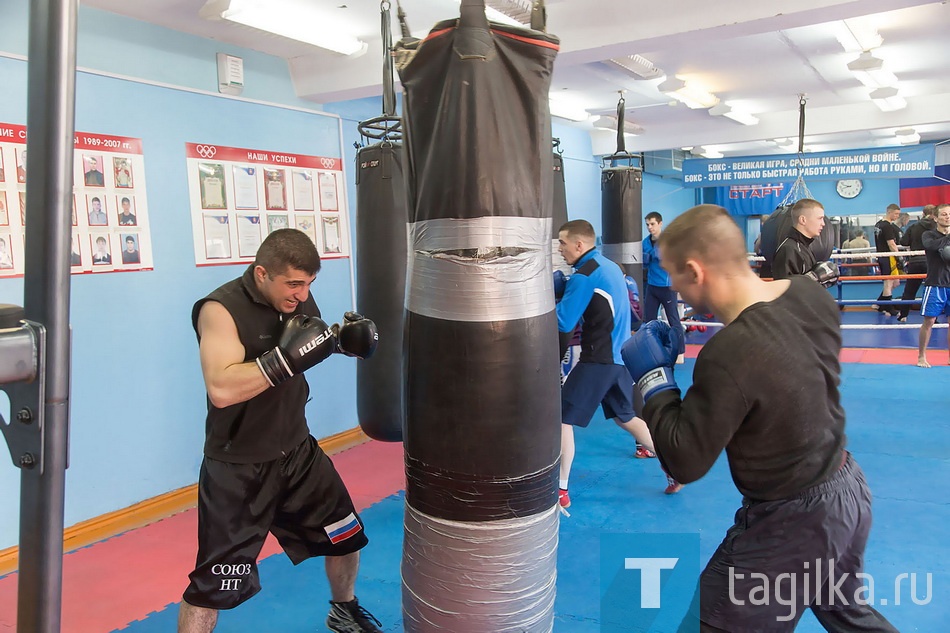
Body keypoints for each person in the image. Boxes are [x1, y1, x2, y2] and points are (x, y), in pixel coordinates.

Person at [622, 204, 898, 633]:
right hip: (847, 489)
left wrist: (655, 384)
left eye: (672, 272)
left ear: (695, 271)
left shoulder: (729, 353)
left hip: (793, 518)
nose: (671, 284)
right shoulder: (808, 296)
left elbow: (685, 462)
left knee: (711, 625)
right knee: (848, 616)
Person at [179, 229, 383, 633]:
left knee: (346, 535)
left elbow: (309, 345)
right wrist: (282, 361)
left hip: (298, 451)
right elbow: (221, 388)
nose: (303, 295)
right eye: (293, 283)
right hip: (239, 468)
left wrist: (343, 342)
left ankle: (343, 611)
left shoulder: (297, 300)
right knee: (213, 586)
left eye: (309, 283)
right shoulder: (220, 310)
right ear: (261, 274)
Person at [555, 219, 679, 510]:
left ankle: (560, 490)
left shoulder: (586, 274)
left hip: (599, 359)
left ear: (579, 244)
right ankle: (676, 469)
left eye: (562, 243)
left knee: (560, 418)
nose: (559, 249)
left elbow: (563, 321)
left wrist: (551, 296)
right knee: (626, 417)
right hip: (621, 357)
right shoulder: (610, 266)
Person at [642, 212, 684, 362]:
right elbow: (644, 263)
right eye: (647, 224)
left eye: (652, 224)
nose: (649, 227)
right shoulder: (645, 242)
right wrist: (645, 259)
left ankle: (680, 352)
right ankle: (651, 350)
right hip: (652, 286)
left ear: (660, 224)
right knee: (649, 321)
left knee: (673, 320)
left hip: (667, 287)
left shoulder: (668, 242)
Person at [916, 203, 950, 368]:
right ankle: (921, 356)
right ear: (935, 217)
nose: (947, 217)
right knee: (929, 321)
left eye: (949, 214)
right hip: (935, 283)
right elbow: (931, 246)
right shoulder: (928, 234)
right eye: (943, 214)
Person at [898, 205, 937, 322]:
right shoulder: (937, 227)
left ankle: (903, 315)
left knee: (910, 290)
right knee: (933, 290)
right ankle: (933, 318)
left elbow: (904, 242)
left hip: (915, 261)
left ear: (923, 213)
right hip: (932, 261)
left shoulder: (914, 226)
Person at [771, 198, 824, 279]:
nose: (823, 224)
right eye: (819, 218)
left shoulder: (804, 247)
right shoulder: (789, 249)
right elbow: (786, 287)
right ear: (803, 220)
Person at [873, 203, 902, 317]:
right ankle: (888, 308)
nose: (897, 216)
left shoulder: (878, 225)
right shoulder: (887, 226)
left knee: (896, 282)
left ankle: (880, 304)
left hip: (882, 256)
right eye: (895, 214)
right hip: (888, 256)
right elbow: (891, 244)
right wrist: (899, 257)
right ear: (889, 212)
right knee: (889, 283)